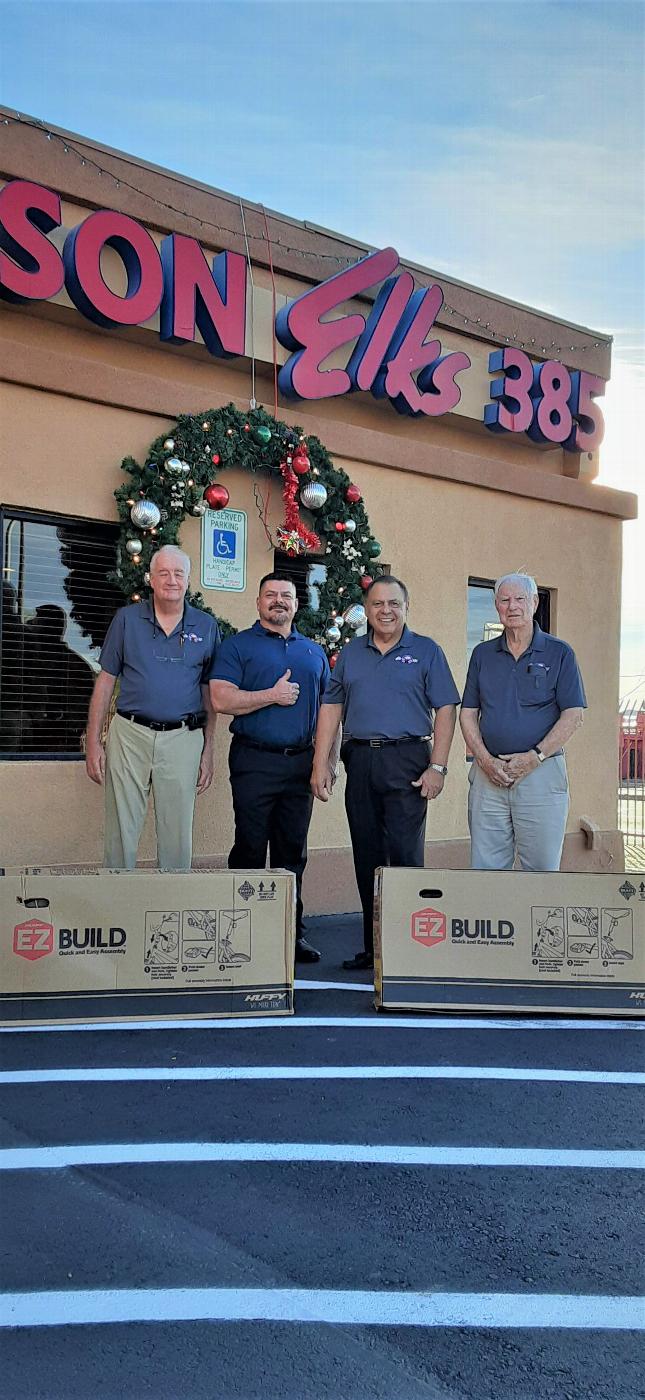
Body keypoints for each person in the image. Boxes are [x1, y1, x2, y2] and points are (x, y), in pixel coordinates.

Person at [311, 576, 460, 971]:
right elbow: (331, 709)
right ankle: (373, 947)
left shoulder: (427, 651)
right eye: (377, 604)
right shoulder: (350, 654)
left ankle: (410, 951)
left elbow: (447, 709)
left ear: (406, 607)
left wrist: (438, 767)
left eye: (394, 603)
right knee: (367, 856)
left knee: (405, 858)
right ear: (367, 609)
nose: (386, 611)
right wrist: (320, 762)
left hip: (409, 760)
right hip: (360, 760)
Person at [210, 573, 331, 965]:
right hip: (254, 760)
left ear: (297, 604)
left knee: (292, 853)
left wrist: (326, 761)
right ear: (258, 603)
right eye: (271, 595)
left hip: (300, 763)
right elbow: (221, 699)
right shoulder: (237, 647)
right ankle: (236, 933)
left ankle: (289, 935)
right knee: (249, 846)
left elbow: (330, 712)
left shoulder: (313, 652)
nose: (279, 601)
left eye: (287, 596)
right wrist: (272, 696)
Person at [85, 545, 219, 870]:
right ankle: (118, 909)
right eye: (164, 573)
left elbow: (209, 693)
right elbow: (105, 682)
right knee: (120, 832)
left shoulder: (206, 626)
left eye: (178, 573)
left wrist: (208, 749)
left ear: (188, 580)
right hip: (129, 734)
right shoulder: (127, 619)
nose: (171, 580)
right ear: (151, 579)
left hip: (183, 738)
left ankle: (170, 912)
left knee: (177, 836)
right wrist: (92, 743)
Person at [460, 571, 586, 871]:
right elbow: (467, 713)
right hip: (488, 775)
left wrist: (535, 757)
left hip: (541, 774)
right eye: (504, 600)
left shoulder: (560, 653)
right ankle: (495, 919)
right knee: (486, 868)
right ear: (496, 606)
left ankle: (536, 921)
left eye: (519, 599)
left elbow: (574, 714)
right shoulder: (482, 654)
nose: (512, 606)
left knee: (541, 869)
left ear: (534, 602)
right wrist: (486, 761)